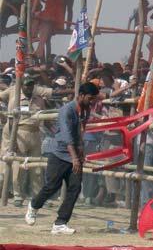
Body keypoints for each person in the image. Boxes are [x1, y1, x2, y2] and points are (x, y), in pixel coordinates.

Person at [24, 82, 99, 234]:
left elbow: (80, 131)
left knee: (75, 188)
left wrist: (80, 151)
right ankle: (34, 205)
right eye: (90, 98)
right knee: (52, 186)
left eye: (94, 99)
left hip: (74, 155)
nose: (92, 102)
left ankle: (60, 223)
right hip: (59, 154)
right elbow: (66, 137)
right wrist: (75, 159)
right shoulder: (67, 110)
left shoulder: (85, 110)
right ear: (82, 95)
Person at [0, 74, 54, 206]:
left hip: (35, 133)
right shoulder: (16, 99)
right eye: (26, 85)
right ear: (22, 86)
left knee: (36, 166)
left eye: (31, 85)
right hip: (20, 132)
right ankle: (18, 195)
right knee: (18, 164)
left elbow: (45, 117)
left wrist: (54, 131)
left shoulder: (38, 99)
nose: (29, 87)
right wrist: (13, 141)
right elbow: (12, 120)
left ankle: (37, 195)